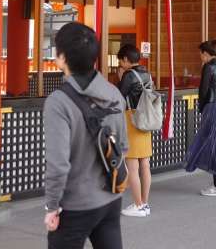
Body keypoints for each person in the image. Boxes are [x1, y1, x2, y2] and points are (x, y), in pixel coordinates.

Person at [43, 22, 129, 249]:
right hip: (110, 199)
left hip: (75, 206)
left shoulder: (58, 102)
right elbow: (123, 147)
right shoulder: (113, 93)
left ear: (61, 57)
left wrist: (52, 206)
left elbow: (58, 165)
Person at [184, 40, 216, 197]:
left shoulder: (208, 67)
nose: (200, 57)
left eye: (201, 54)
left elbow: (203, 91)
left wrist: (202, 108)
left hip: (213, 107)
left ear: (206, 53)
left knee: (212, 145)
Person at [115, 44, 153, 218]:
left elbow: (118, 97)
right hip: (146, 120)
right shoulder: (147, 73)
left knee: (132, 164)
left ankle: (138, 205)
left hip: (132, 120)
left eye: (120, 61)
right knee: (144, 163)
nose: (120, 65)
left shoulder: (129, 75)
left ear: (125, 59)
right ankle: (144, 203)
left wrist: (120, 78)